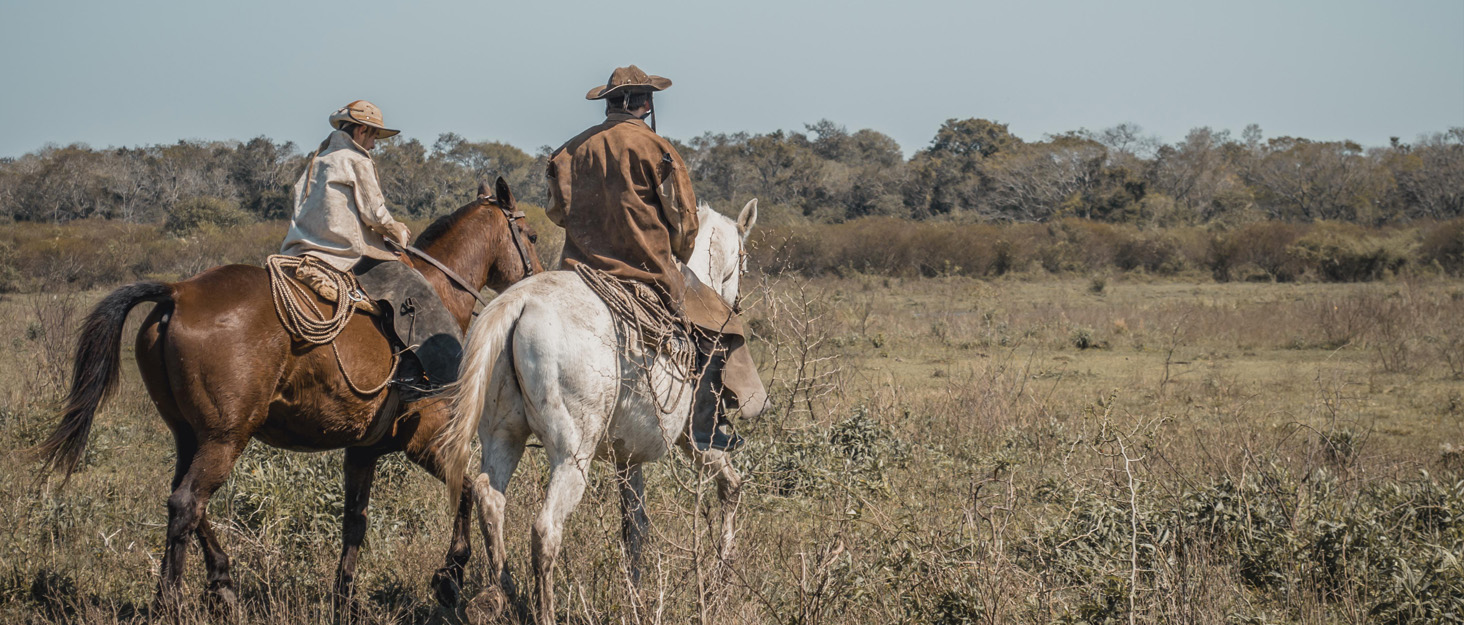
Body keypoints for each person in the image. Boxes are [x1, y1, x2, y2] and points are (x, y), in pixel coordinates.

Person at [546, 65, 765, 451]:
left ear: (611, 102)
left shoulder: (568, 151)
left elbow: (556, 212)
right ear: (642, 102)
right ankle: (705, 429)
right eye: (648, 97)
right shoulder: (657, 148)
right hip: (645, 271)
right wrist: (677, 252)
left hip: (577, 268)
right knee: (721, 327)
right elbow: (684, 220)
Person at [281, 100, 460, 393]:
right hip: (342, 253)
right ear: (362, 129)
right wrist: (398, 230)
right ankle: (416, 375)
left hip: (296, 252)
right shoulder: (356, 159)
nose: (375, 145)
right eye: (374, 136)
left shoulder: (318, 159)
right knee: (411, 286)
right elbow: (374, 213)